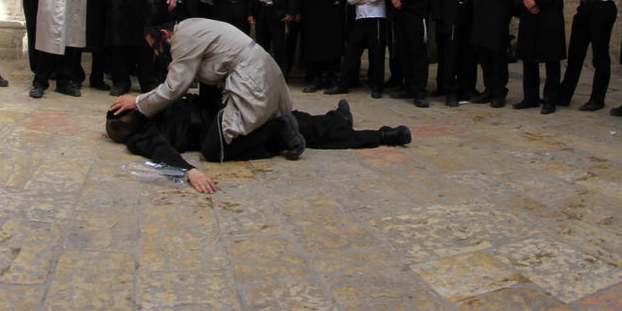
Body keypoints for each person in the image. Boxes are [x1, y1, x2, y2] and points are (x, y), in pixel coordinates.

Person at [107, 97, 411, 194]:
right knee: (288, 127)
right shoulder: (141, 136)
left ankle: (342, 122)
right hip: (221, 129)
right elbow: (163, 153)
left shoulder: (150, 106)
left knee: (292, 123)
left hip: (223, 114)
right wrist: (190, 172)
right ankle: (379, 135)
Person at [107, 17, 304, 166]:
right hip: (256, 70)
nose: (157, 53)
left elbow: (175, 87)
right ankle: (280, 130)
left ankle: (278, 127)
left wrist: (137, 102)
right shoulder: (189, 26)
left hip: (252, 77)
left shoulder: (182, 39)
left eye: (155, 46)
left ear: (165, 35)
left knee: (215, 150)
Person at [330, 0, 388, 98]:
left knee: (376, 53)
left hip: (375, 17)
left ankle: (377, 85)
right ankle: (344, 84)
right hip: (360, 17)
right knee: (352, 51)